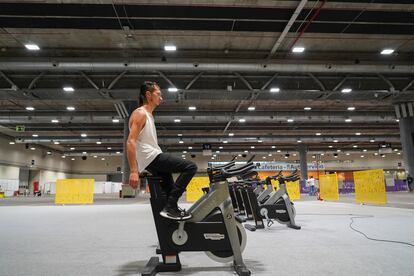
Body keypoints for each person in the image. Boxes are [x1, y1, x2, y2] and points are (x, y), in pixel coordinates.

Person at [127, 81, 197, 220]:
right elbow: (130, 141)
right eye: (158, 94)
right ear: (148, 94)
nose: (161, 97)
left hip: (152, 156)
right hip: (151, 157)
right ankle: (170, 206)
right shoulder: (140, 114)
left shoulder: (149, 115)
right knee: (190, 167)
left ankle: (170, 212)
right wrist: (134, 171)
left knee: (169, 190)